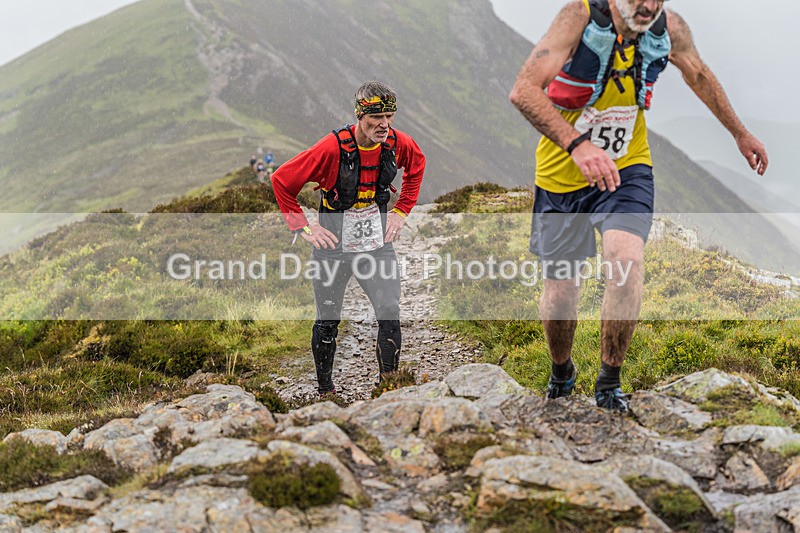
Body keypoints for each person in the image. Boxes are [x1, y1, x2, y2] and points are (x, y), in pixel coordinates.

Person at [509, 0, 768, 411]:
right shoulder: (577, 17)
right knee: (561, 292)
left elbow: (698, 73)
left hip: (626, 169)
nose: (647, 5)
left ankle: (609, 384)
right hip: (561, 175)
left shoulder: (671, 27)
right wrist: (577, 146)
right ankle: (562, 372)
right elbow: (523, 90)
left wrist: (739, 133)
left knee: (625, 260)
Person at [271, 81, 426, 395]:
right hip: (333, 247)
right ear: (360, 116)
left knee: (389, 311)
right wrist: (304, 228)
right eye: (375, 118)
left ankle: (390, 389)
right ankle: (326, 392)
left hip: (375, 246)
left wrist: (400, 211)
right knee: (327, 321)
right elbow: (281, 181)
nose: (384, 125)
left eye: (389, 117)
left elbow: (417, 165)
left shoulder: (398, 143)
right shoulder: (331, 148)